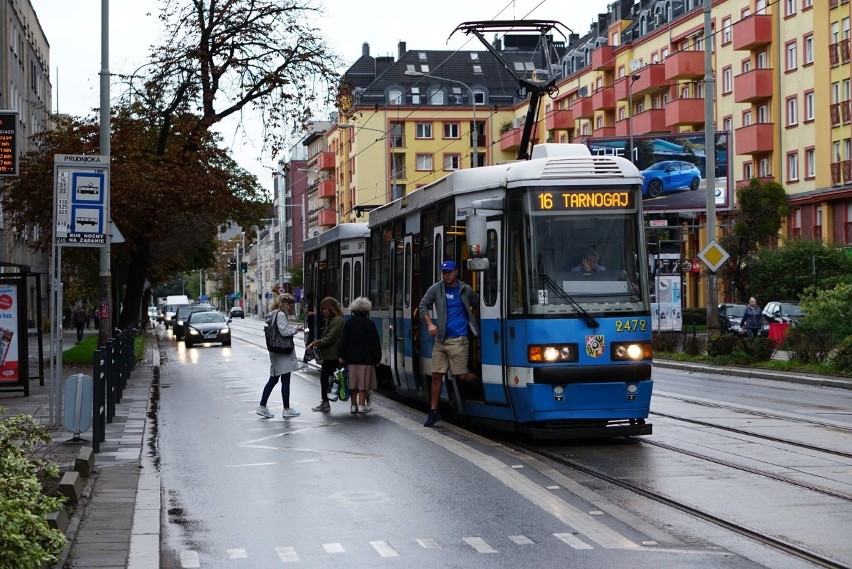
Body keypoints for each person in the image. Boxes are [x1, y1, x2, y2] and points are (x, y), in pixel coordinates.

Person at [419, 260, 480, 427]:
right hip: (441, 340)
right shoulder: (436, 289)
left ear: (456, 273)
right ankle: (433, 412)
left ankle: (479, 385)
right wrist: (430, 324)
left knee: (461, 375)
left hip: (459, 340)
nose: (447, 275)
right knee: (436, 375)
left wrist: (475, 326)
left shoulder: (465, 290)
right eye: (444, 272)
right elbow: (423, 305)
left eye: (450, 272)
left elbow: (478, 304)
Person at [256, 293, 303, 419]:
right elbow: (284, 331)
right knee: (283, 380)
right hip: (282, 352)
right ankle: (284, 409)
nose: (290, 308)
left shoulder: (274, 314)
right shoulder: (281, 314)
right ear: (284, 304)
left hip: (276, 351)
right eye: (289, 305)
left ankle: (264, 406)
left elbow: (280, 328)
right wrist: (295, 330)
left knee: (274, 379)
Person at [338, 297, 382, 414]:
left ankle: (353, 405)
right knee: (363, 383)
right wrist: (377, 358)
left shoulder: (349, 323)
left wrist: (341, 355)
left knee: (353, 383)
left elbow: (344, 340)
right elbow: (375, 342)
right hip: (366, 359)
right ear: (366, 310)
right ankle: (362, 405)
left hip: (351, 359)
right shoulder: (369, 323)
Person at [305, 296, 344, 412]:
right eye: (323, 309)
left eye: (325, 309)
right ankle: (325, 402)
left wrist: (314, 343)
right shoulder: (331, 319)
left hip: (333, 355)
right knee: (330, 378)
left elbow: (329, 338)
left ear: (332, 308)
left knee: (333, 378)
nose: (323, 312)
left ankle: (326, 402)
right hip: (330, 354)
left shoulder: (337, 320)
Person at [302, 292, 316, 363]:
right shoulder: (311, 304)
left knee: (309, 343)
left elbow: (308, 313)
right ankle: (306, 358)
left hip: (313, 326)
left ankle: (306, 358)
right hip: (311, 326)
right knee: (309, 342)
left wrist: (312, 313)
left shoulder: (312, 304)